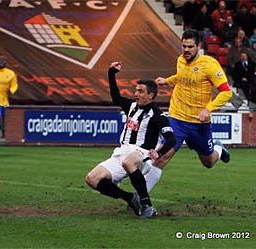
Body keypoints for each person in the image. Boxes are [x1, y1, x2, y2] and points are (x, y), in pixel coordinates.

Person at [85, 62, 176, 219]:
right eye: (136, 90)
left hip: (142, 154)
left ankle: (147, 205)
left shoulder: (157, 116)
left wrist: (158, 152)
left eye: (141, 92)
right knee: (92, 179)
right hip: (121, 152)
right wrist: (111, 73)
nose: (136, 94)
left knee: (129, 162)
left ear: (151, 95)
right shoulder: (132, 107)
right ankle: (130, 198)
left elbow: (171, 139)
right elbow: (115, 97)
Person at [155, 29, 232, 171]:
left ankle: (218, 148)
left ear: (199, 46)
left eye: (190, 47)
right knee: (161, 158)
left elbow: (226, 92)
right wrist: (166, 81)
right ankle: (142, 193)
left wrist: (208, 109)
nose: (186, 50)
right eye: (184, 46)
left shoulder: (209, 65)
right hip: (177, 117)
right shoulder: (180, 60)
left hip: (199, 122)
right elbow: (182, 77)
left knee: (208, 162)